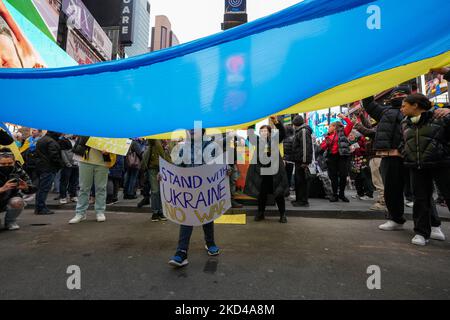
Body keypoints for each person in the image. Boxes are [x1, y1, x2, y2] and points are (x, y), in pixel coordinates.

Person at [399, 93, 450, 246]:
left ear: (415, 105)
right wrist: (406, 154)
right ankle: (421, 233)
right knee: (420, 200)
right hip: (416, 166)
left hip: (441, 164)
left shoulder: (441, 117)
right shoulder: (405, 123)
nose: (402, 108)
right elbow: (404, 141)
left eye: (404, 105)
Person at [167, 129, 222, 268]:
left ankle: (210, 243)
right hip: (189, 190)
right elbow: (177, 168)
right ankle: (181, 252)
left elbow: (220, 166)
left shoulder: (213, 146)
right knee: (188, 217)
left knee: (207, 216)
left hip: (206, 189)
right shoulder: (183, 148)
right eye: (189, 129)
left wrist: (226, 171)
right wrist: (166, 176)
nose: (191, 131)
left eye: (194, 129)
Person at [245, 116, 289, 222]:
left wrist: (276, 122)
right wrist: (253, 120)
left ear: (270, 133)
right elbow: (250, 133)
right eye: (261, 131)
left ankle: (283, 215)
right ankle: (261, 213)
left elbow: (283, 132)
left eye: (265, 131)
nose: (263, 133)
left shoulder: (275, 140)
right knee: (262, 194)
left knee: (279, 193)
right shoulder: (257, 141)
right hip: (262, 172)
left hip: (275, 172)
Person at [68, 136, 116, 224]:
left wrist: (108, 151)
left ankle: (100, 212)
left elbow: (114, 145)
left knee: (101, 188)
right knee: (83, 188)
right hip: (85, 161)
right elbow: (80, 142)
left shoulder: (107, 129)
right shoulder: (86, 127)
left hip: (102, 162)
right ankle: (80, 213)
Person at [353, 112, 386, 211]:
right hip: (375, 155)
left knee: (378, 181)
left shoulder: (382, 126)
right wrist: (361, 116)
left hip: (377, 156)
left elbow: (371, 132)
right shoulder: (381, 124)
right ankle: (383, 200)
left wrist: (358, 125)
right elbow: (370, 128)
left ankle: (382, 201)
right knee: (378, 180)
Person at [0, 148, 36, 230]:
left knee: (17, 201)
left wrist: (26, 187)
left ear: (14, 161)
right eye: (3, 164)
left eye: (9, 163)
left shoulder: (19, 171)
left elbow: (33, 188)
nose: (6, 166)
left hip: (8, 199)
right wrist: (2, 189)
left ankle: (10, 221)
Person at [320, 114, 354, 202]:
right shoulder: (327, 136)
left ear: (334, 127)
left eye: (330, 126)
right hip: (332, 157)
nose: (328, 128)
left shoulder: (343, 132)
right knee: (333, 177)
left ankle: (341, 194)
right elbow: (322, 147)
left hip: (342, 156)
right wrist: (327, 143)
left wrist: (343, 117)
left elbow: (350, 124)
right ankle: (335, 195)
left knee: (343, 175)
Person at [34, 131, 64, 215]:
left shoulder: (42, 140)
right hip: (48, 167)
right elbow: (54, 156)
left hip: (41, 166)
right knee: (44, 188)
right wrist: (60, 165)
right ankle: (41, 207)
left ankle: (39, 207)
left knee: (41, 188)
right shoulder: (51, 141)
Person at [141, 139, 170, 221]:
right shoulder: (154, 139)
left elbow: (167, 156)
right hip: (153, 168)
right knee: (155, 190)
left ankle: (160, 211)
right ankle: (155, 212)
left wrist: (165, 147)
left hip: (163, 167)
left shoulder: (164, 141)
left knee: (161, 191)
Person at [291, 115, 313, 207]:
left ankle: (303, 201)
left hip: (301, 161)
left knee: (301, 181)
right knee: (299, 180)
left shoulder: (303, 131)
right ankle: (299, 199)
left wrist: (305, 161)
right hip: (299, 160)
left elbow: (305, 147)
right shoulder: (301, 131)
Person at [348, 130, 374, 200]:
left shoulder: (362, 139)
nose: (350, 137)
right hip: (355, 161)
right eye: (349, 135)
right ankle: (360, 193)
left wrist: (356, 149)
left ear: (356, 135)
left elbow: (365, 150)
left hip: (363, 160)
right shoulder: (350, 143)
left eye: (352, 135)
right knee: (357, 177)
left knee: (365, 177)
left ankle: (369, 194)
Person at [59, 135, 79, 204]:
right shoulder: (63, 140)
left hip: (76, 163)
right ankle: (63, 197)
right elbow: (62, 153)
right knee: (64, 181)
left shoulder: (76, 140)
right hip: (67, 164)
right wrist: (67, 163)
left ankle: (73, 196)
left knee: (74, 181)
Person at [282, 125, 295, 193]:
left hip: (283, 160)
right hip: (290, 161)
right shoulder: (293, 139)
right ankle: (287, 191)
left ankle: (284, 191)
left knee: (284, 176)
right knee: (289, 176)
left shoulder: (283, 139)